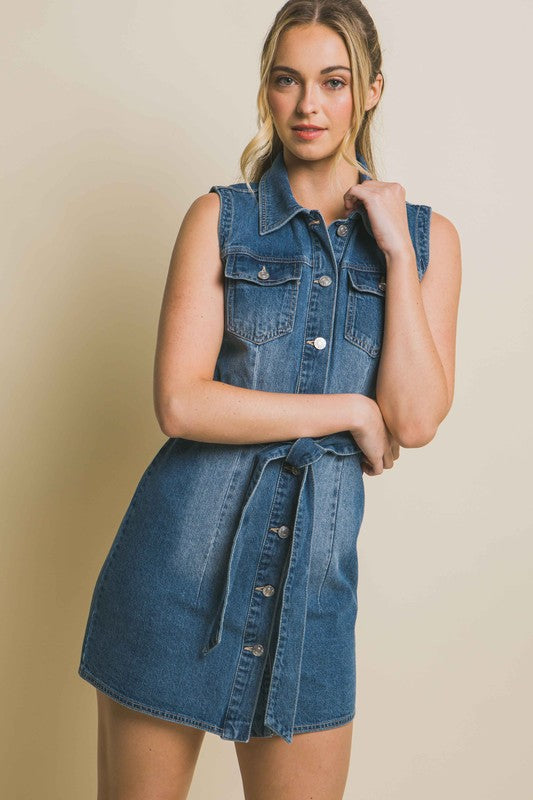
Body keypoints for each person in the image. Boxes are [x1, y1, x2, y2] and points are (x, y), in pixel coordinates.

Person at [77, 1, 461, 797]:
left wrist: (391, 250)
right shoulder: (220, 219)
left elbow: (416, 419)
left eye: (333, 81)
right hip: (173, 578)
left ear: (371, 91)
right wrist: (349, 412)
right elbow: (181, 404)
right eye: (287, 81)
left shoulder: (426, 242)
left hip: (313, 602)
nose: (308, 105)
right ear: (267, 91)